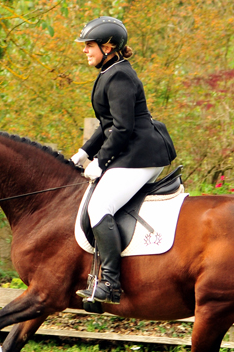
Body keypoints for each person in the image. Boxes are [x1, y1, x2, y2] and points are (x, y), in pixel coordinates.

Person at [70, 16, 176, 304]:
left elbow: (122, 128)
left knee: (99, 206)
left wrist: (101, 162)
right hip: (132, 151)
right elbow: (107, 126)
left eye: (89, 45)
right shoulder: (110, 72)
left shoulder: (119, 76)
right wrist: (82, 153)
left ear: (109, 46)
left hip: (142, 154)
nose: (84, 50)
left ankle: (111, 285)